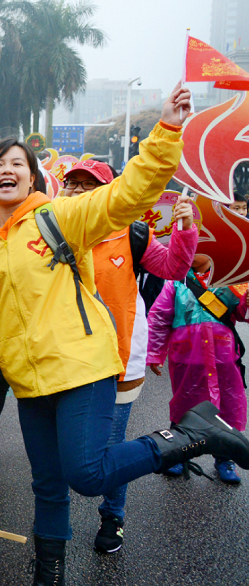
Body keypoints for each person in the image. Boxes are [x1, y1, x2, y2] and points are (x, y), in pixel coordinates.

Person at [0, 85, 249, 586]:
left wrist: (167, 130)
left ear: (34, 177)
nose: (6, 170)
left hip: (83, 368)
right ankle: (48, 580)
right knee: (47, 484)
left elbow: (129, 193)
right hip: (30, 383)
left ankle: (192, 435)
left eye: (17, 163)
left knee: (88, 474)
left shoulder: (62, 217)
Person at [61, 159, 199, 553]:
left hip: (119, 357)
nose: (78, 191)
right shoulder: (50, 232)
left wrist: (185, 229)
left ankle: (113, 517)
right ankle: (54, 524)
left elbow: (174, 267)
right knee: (60, 446)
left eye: (88, 185)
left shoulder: (132, 233)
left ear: (108, 193)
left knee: (111, 444)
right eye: (72, 184)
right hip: (65, 358)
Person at [147, 252, 248, 484]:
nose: (191, 251)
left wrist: (246, 303)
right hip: (187, 358)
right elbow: (160, 317)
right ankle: (178, 454)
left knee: (225, 408)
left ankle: (224, 458)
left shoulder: (232, 280)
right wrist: (155, 353)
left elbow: (242, 314)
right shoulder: (177, 282)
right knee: (184, 405)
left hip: (223, 358)